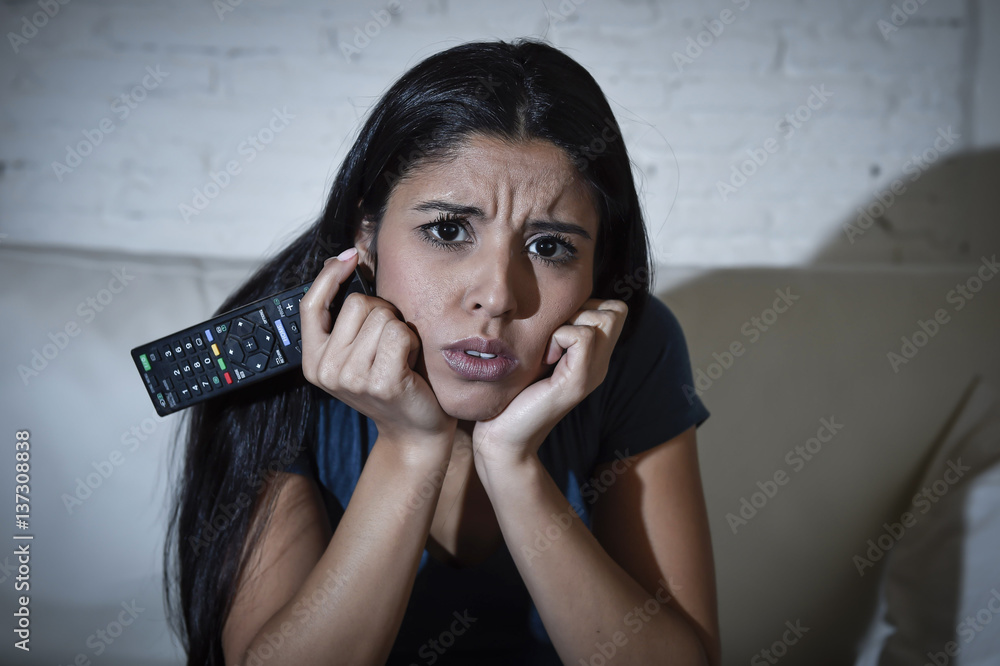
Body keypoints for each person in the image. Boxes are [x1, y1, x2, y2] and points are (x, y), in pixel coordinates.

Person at [163, 38, 719, 665]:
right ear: (365, 234)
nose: (498, 295)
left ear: (598, 270)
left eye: (550, 247)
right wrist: (411, 447)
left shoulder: (632, 349)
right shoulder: (268, 361)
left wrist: (513, 467)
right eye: (448, 231)